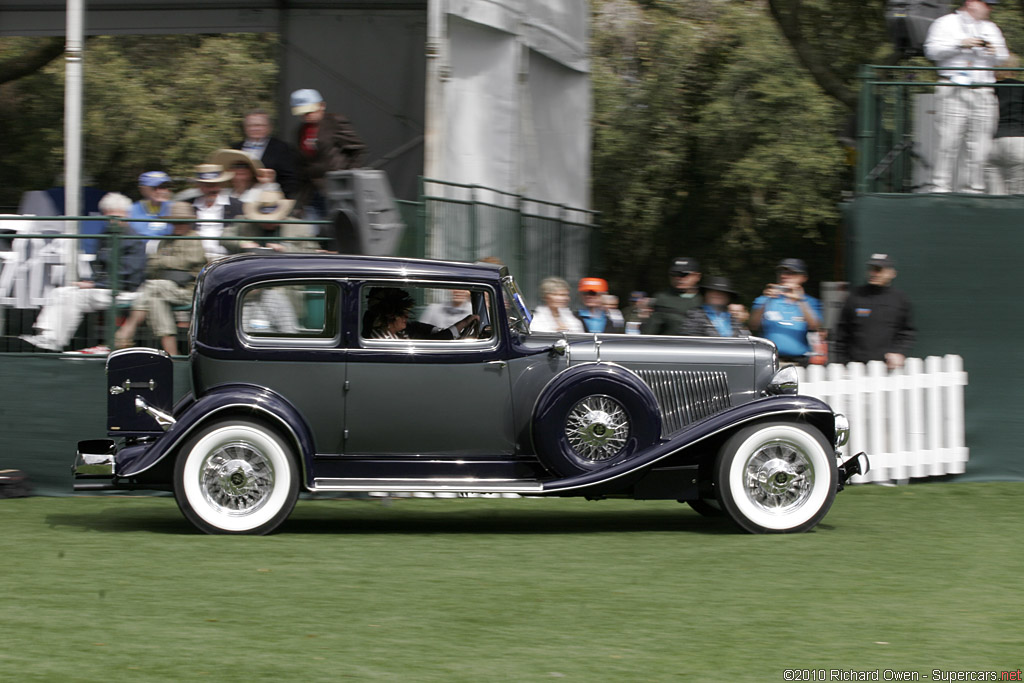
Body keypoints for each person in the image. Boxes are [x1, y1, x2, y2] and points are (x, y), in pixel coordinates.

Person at [20, 192, 146, 353]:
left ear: (126, 215)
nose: (111, 220)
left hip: (124, 291)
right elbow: (99, 266)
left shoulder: (134, 240)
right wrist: (93, 282)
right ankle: (47, 335)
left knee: (75, 297)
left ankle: (55, 340)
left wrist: (94, 284)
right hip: (105, 288)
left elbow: (128, 275)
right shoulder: (106, 236)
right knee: (60, 292)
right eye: (108, 216)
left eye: (116, 215)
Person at [924, 0, 1009, 193]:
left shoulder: (991, 28)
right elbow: (931, 51)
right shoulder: (945, 23)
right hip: (953, 87)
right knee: (948, 140)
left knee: (980, 144)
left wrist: (993, 51)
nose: (990, 8)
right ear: (971, 3)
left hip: (984, 90)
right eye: (987, 4)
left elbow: (1003, 56)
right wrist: (960, 44)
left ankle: (973, 190)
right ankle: (940, 188)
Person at [115, 202, 208, 356]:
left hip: (187, 289)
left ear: (188, 223)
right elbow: (151, 266)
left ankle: (126, 331)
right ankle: (173, 354)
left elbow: (187, 262)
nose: (178, 226)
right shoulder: (165, 240)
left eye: (182, 222)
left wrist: (163, 261)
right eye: (175, 222)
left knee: (152, 287)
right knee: (155, 300)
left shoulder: (194, 239)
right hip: (163, 287)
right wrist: (168, 262)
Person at [832, 253, 916, 371]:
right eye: (872, 269)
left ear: (892, 273)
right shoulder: (855, 296)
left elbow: (907, 333)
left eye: (879, 270)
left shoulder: (900, 299)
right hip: (855, 368)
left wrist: (898, 352)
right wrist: (842, 363)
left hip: (887, 369)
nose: (873, 273)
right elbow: (841, 332)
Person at [290, 88, 367, 216]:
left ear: (322, 106)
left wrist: (346, 177)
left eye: (310, 111)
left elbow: (358, 149)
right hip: (311, 193)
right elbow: (302, 166)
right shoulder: (299, 131)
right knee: (312, 232)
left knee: (337, 230)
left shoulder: (335, 122)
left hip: (337, 190)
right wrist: (300, 201)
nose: (306, 115)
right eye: (302, 113)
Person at [750, 258, 823, 367]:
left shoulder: (810, 302)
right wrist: (766, 300)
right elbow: (753, 325)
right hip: (769, 361)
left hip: (800, 361)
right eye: (781, 272)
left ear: (803, 278)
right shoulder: (765, 299)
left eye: (791, 273)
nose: (784, 276)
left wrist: (800, 300)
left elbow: (815, 326)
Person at [363, 287, 478, 340]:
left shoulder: (404, 330)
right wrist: (463, 323)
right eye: (402, 314)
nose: (406, 317)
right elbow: (434, 343)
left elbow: (421, 329)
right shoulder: (382, 339)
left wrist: (442, 330)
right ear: (389, 315)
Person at [223, 190, 315, 254]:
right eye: (263, 220)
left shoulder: (300, 227)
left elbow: (313, 251)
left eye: (272, 220)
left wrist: (286, 249)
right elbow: (224, 237)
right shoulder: (244, 222)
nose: (267, 223)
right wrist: (242, 243)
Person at [233, 109, 299, 198]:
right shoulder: (235, 148)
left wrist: (280, 197)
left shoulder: (282, 148)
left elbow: (290, 179)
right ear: (245, 128)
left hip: (269, 200)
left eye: (259, 125)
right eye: (250, 125)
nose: (255, 128)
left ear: (269, 127)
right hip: (239, 198)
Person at [985, 54, 1024, 194]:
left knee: (995, 197)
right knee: (1018, 197)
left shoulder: (989, 89)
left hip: (992, 143)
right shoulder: (1022, 87)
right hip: (1019, 141)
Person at [189, 163, 244, 261]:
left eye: (215, 185)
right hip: (195, 258)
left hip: (226, 258)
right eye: (208, 185)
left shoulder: (236, 205)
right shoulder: (190, 205)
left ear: (222, 185)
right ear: (200, 186)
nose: (212, 189)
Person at [641, 256, 703, 336]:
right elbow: (648, 333)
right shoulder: (661, 299)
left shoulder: (706, 300)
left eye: (684, 274)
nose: (679, 278)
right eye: (674, 274)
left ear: (697, 276)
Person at [681, 276, 748, 337]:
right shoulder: (695, 314)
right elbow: (689, 339)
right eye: (713, 291)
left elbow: (744, 337)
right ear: (706, 294)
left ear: (728, 297)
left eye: (722, 292)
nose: (717, 295)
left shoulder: (732, 317)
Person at [210, 149, 281, 204]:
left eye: (245, 166)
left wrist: (268, 183)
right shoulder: (223, 193)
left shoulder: (262, 190)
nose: (240, 169)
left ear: (252, 172)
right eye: (236, 166)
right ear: (229, 171)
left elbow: (275, 202)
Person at [127, 171, 173, 246]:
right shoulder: (130, 210)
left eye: (164, 186)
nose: (160, 191)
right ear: (142, 190)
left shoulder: (175, 208)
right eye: (154, 187)